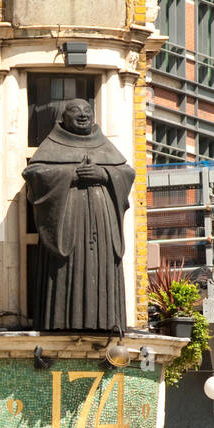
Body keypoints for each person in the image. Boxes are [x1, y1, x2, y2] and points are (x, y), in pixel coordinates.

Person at [22, 98, 134, 333]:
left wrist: (103, 174)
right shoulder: (53, 144)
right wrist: (70, 175)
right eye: (75, 111)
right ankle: (62, 321)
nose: (83, 115)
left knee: (100, 266)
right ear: (63, 118)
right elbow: (35, 173)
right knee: (66, 268)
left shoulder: (104, 145)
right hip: (68, 223)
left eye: (87, 111)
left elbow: (126, 173)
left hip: (102, 225)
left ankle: (106, 321)